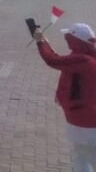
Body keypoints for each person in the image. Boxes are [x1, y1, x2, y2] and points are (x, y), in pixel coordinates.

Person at [33, 22, 96, 171]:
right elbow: (60, 60)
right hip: (88, 118)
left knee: (82, 156)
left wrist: (40, 42)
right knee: (86, 156)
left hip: (83, 119)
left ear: (74, 40)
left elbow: (52, 60)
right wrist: (45, 41)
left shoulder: (81, 60)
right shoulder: (87, 56)